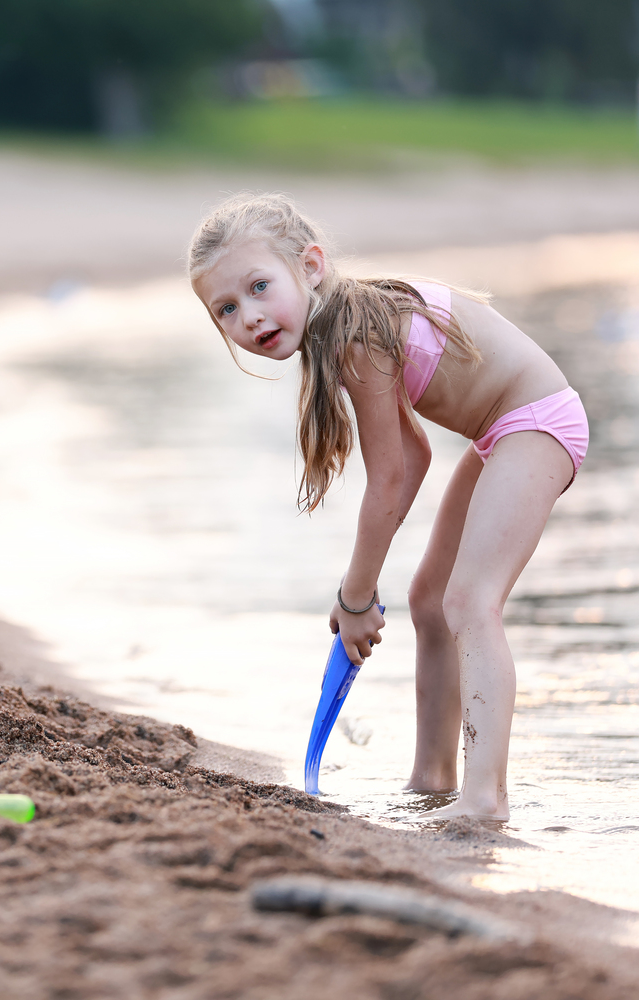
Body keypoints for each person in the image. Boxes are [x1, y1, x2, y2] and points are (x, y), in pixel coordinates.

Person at [188, 194, 587, 820]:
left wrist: (355, 599)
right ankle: (432, 781)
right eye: (227, 309)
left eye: (260, 287)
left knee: (470, 602)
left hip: (535, 422)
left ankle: (485, 797)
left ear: (310, 266)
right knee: (431, 599)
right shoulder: (342, 329)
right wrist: (363, 594)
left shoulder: (356, 335)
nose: (250, 315)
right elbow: (415, 456)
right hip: (502, 432)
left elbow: (389, 478)